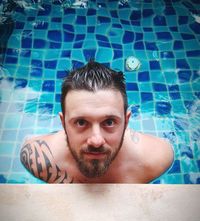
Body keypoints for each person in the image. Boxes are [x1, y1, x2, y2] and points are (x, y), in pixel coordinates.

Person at [20, 61, 174, 183]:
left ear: (126, 122)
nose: (96, 141)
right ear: (63, 122)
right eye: (81, 122)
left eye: (109, 122)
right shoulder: (37, 158)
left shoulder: (156, 159)